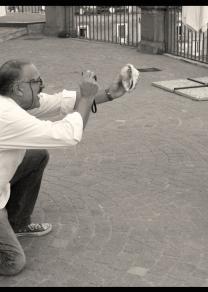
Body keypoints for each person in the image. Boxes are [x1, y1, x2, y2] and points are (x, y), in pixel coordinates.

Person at [0, 59, 134, 275]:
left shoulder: (14, 101)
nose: (42, 86)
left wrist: (110, 92)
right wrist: (88, 96)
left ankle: (18, 223)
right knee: (13, 262)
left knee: (36, 156)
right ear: (18, 88)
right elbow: (68, 135)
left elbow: (65, 101)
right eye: (37, 82)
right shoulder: (6, 115)